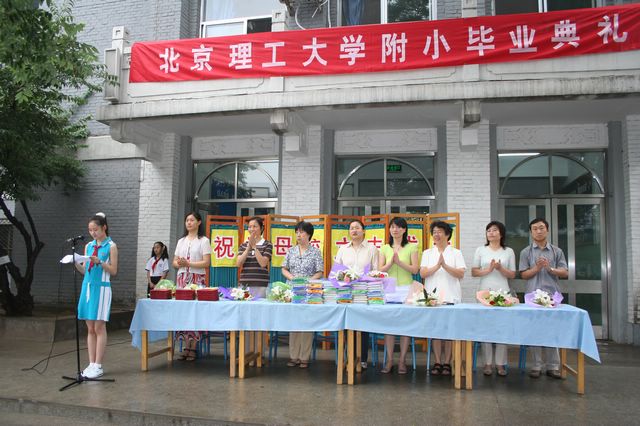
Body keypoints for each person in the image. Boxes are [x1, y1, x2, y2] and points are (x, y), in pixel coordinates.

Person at [519, 218, 568, 379]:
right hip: (532, 297)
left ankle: (553, 366)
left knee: (552, 330)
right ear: (531, 232)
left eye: (541, 228)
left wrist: (549, 268)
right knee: (534, 330)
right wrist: (537, 268)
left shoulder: (556, 251)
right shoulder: (526, 252)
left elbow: (565, 272)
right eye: (535, 229)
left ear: (547, 230)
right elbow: (524, 274)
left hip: (552, 296)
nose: (538, 231)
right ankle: (536, 365)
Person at [75, 212, 118, 379]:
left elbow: (113, 271)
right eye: (90, 230)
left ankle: (98, 365)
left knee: (99, 327)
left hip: (102, 289)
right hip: (87, 287)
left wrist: (100, 262)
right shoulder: (88, 246)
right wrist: (75, 262)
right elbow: (85, 270)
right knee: (90, 328)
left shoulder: (111, 246)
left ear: (104, 227)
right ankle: (91, 363)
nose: (93, 233)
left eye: (95, 229)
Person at [420, 221, 466, 376]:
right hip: (432, 299)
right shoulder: (427, 253)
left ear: (447, 234)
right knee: (436, 331)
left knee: (449, 330)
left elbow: (461, 274)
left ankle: (447, 362)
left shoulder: (456, 253)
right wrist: (437, 266)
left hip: (451, 297)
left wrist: (445, 266)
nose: (436, 234)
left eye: (439, 231)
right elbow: (423, 273)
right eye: (434, 232)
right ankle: (438, 361)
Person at [471, 221, 516, 377]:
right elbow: (474, 272)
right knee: (486, 328)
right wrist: (489, 270)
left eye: (494, 230)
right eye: (488, 230)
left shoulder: (508, 251)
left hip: (504, 293)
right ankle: (487, 363)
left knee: (502, 328)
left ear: (501, 233)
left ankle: (501, 364)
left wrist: (500, 268)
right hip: (484, 293)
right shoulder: (480, 250)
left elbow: (512, 274)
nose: (491, 233)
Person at [335, 219, 379, 370]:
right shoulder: (343, 249)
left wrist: (364, 277)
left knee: (362, 325)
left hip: (364, 293)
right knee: (347, 325)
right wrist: (344, 277)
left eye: (357, 228)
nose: (354, 230)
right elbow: (336, 272)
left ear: (363, 231)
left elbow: (376, 271)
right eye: (351, 228)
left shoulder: (372, 249)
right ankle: (348, 357)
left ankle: (362, 359)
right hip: (345, 293)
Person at [378, 217, 419, 374]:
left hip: (406, 288)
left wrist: (399, 262)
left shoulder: (411, 247)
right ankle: (389, 360)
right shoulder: (384, 248)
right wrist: (390, 263)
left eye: (398, 227)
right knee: (389, 325)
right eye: (392, 227)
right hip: (389, 289)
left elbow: (415, 270)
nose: (395, 230)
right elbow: (379, 270)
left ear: (404, 230)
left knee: (404, 325)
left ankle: (402, 360)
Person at [282, 221, 324, 369]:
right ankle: (293, 356)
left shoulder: (315, 252)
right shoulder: (291, 251)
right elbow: (284, 268)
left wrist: (309, 281)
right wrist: (292, 278)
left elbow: (319, 272)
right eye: (297, 232)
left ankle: (304, 357)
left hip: (309, 291)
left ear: (309, 234)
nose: (298, 235)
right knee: (294, 322)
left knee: (306, 322)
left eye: (301, 232)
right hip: (293, 290)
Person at [173, 212, 212, 361]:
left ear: (199, 222)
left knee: (195, 311)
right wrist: (180, 263)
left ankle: (193, 347)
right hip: (182, 279)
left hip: (197, 280)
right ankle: (185, 345)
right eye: (187, 220)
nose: (189, 223)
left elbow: (206, 263)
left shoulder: (204, 241)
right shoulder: (181, 241)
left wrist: (189, 263)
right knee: (183, 311)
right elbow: (174, 262)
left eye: (192, 220)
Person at [237, 217, 273, 298]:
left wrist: (254, 247)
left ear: (261, 228)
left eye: (255, 226)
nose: (252, 229)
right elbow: (238, 263)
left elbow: (263, 263)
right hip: (245, 283)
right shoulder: (243, 245)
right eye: (250, 227)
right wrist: (248, 248)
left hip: (260, 284)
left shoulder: (267, 244)